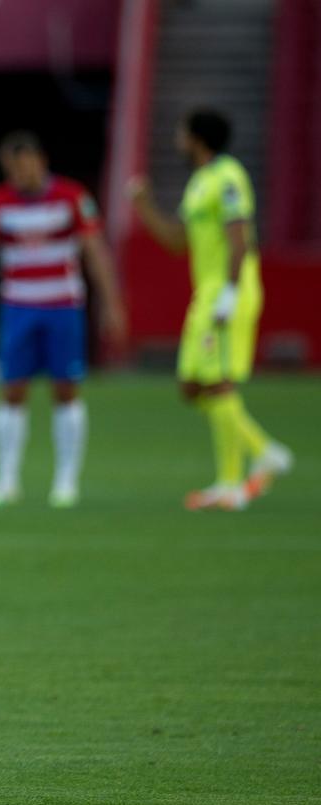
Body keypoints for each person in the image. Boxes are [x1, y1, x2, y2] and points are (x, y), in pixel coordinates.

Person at [0, 131, 126, 509]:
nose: (19, 175)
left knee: (66, 389)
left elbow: (95, 253)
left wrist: (112, 304)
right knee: (11, 391)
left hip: (63, 305)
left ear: (41, 161)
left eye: (24, 166)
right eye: (11, 168)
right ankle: (6, 481)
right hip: (18, 307)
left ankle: (66, 482)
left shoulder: (72, 197)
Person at [129, 109, 293, 510]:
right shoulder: (200, 183)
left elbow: (239, 239)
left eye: (182, 134)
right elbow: (176, 241)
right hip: (207, 293)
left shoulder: (228, 178)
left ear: (198, 139)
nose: (177, 140)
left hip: (228, 292)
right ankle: (258, 454)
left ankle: (233, 482)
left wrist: (230, 295)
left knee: (218, 383)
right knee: (192, 386)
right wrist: (145, 205)